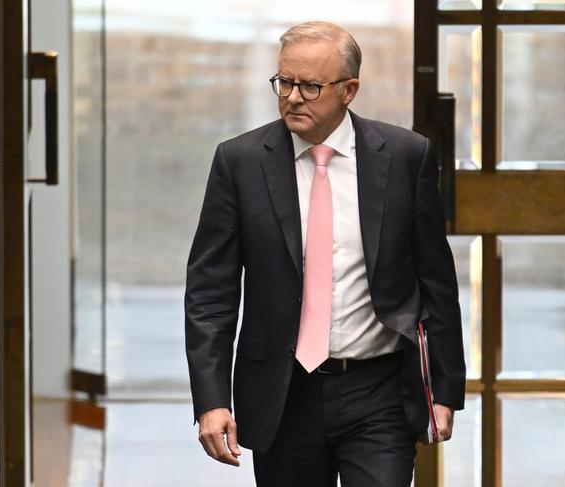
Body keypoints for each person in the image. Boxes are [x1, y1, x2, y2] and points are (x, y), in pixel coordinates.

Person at [185, 21, 465, 487]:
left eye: (311, 86)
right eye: (285, 82)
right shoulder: (240, 162)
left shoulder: (404, 157)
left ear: (349, 90)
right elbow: (210, 292)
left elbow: (436, 281)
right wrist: (212, 401)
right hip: (283, 390)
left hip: (379, 391)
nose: (293, 97)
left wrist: (445, 389)